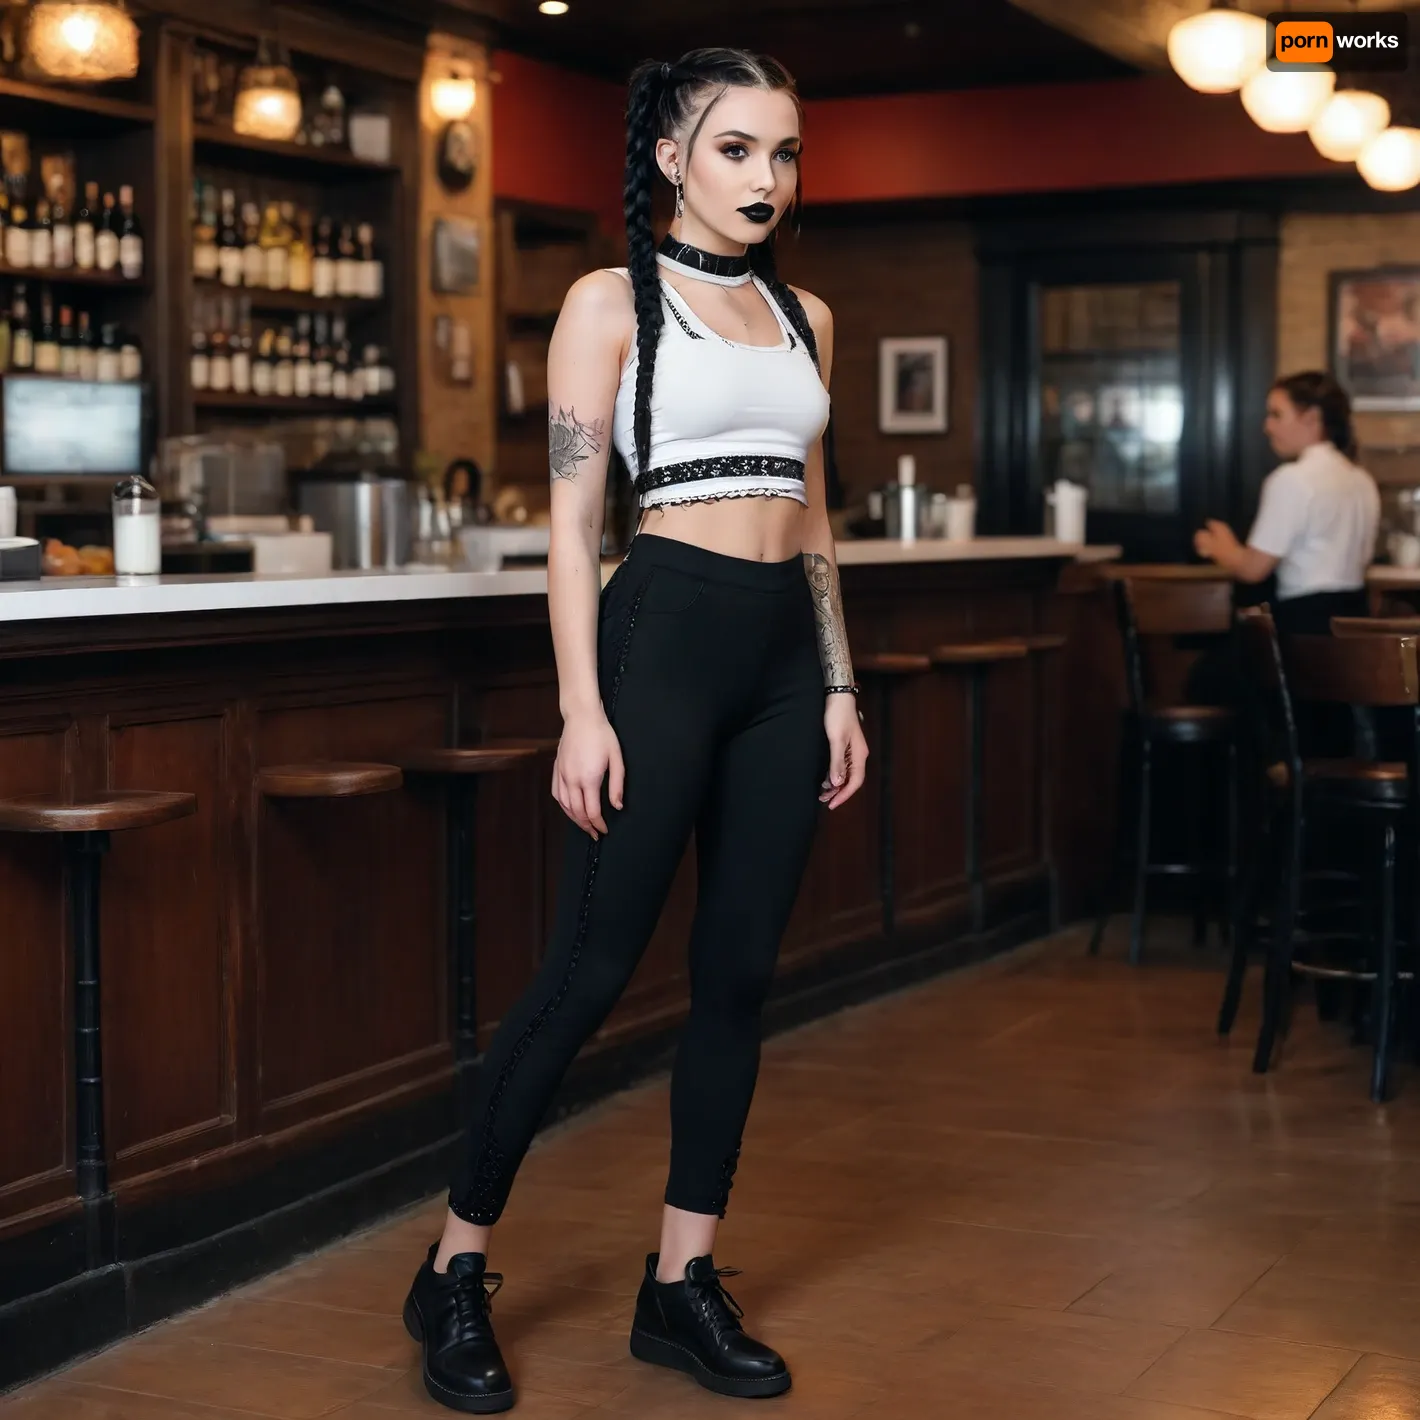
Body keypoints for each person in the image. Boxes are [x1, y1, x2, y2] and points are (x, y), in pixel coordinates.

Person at [402, 48, 868, 1414]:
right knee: (589, 973)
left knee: (735, 979)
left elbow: (817, 514)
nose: (766, 179)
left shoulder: (809, 318)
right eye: (737, 150)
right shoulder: (612, 302)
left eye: (784, 153)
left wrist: (839, 682)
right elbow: (568, 524)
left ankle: (681, 1283)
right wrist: (581, 708)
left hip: (785, 653)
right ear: (672, 155)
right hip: (658, 641)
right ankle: (455, 1267)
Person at [1193, 371, 1379, 635]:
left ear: (1312, 418)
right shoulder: (1362, 479)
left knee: (1205, 676)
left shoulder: (1291, 479)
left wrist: (1219, 547)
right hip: (1356, 624)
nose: (1267, 426)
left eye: (1276, 414)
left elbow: (1253, 570)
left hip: (1306, 626)